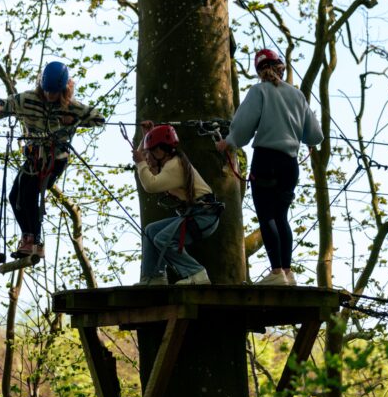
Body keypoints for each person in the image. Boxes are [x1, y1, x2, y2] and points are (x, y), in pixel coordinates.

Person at [216, 48, 323, 286]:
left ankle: (276, 273)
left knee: (267, 216)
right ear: (280, 68)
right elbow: (315, 135)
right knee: (281, 216)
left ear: (259, 71)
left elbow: (243, 127)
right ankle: (287, 271)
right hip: (290, 164)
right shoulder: (297, 96)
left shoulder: (259, 91)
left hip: (266, 159)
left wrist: (229, 142)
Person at [0, 61, 104, 259]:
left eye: (54, 92)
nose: (50, 96)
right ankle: (29, 238)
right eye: (47, 90)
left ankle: (34, 240)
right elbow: (5, 104)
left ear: (64, 89)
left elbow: (98, 119)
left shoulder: (70, 107)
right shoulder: (28, 99)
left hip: (55, 160)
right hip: (34, 157)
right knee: (15, 196)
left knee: (29, 193)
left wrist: (73, 120)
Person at [133, 122, 222, 285]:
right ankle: (154, 277)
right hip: (198, 215)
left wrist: (140, 162)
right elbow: (144, 165)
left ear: (159, 151)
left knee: (162, 239)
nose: (147, 158)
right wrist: (145, 137)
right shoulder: (170, 162)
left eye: (150, 152)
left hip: (203, 217)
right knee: (151, 231)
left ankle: (197, 273)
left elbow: (150, 185)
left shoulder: (174, 166)